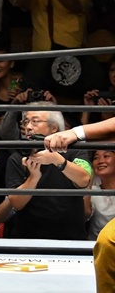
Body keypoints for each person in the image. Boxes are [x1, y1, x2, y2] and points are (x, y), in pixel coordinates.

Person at [44, 106, 115, 290]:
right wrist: (75, 133)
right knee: (107, 242)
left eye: (107, 156)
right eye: (97, 157)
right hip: (90, 240)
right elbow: (85, 212)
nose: (101, 160)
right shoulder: (96, 186)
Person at [7, 102, 91, 240]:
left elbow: (84, 179)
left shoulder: (74, 150)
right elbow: (16, 203)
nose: (28, 127)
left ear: (53, 128)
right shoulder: (17, 157)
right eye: (26, 122)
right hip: (28, 238)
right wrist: (33, 177)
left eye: (35, 121)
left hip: (70, 237)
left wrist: (57, 160)